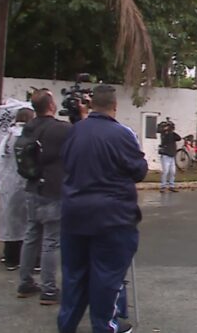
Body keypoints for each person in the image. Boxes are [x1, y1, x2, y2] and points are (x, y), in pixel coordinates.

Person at [57, 85, 147, 333]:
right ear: (114, 107)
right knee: (107, 278)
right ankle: (104, 327)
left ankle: (66, 326)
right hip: (113, 218)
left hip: (74, 216)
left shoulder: (74, 132)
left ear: (91, 105)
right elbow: (139, 171)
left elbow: (66, 163)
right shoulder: (122, 135)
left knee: (74, 278)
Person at [16, 89, 71, 305]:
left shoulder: (28, 127)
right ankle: (48, 289)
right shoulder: (59, 128)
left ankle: (25, 282)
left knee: (31, 235)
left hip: (32, 186)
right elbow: (80, 134)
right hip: (53, 189)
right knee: (51, 241)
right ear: (51, 106)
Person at [0, 108, 34, 270]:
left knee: (10, 221)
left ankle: (10, 257)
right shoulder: (28, 136)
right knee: (28, 222)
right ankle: (29, 258)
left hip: (8, 185)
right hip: (23, 184)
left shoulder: (7, 136)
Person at [158, 119, 181, 193]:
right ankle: (163, 186)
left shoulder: (172, 134)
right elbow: (166, 139)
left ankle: (171, 185)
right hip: (165, 155)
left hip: (171, 155)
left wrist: (172, 131)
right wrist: (167, 130)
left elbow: (178, 138)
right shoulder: (164, 134)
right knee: (165, 171)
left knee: (172, 172)